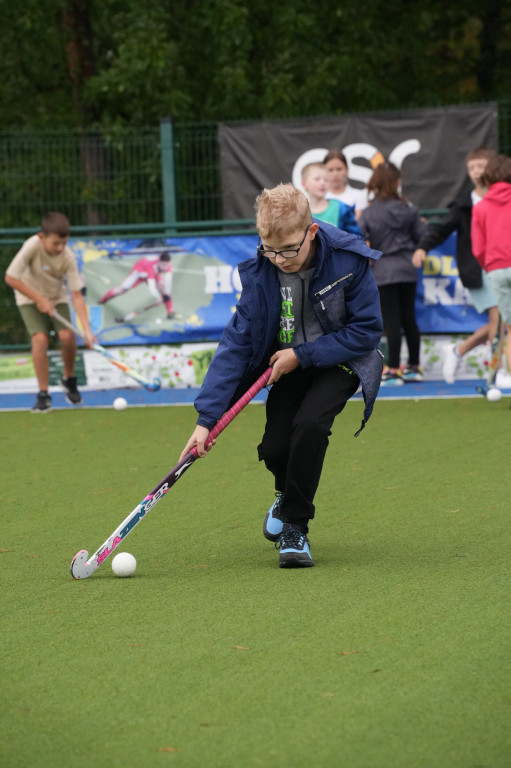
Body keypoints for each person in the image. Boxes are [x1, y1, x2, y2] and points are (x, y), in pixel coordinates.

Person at [179, 183, 383, 569]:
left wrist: (303, 354)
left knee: (310, 425)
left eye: (289, 249)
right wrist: (206, 420)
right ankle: (285, 493)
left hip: (342, 359)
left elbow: (367, 331)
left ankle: (295, 527)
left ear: (312, 232)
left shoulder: (348, 260)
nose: (280, 259)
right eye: (269, 249)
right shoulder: (262, 272)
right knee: (275, 448)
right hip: (286, 364)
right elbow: (236, 344)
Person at [412, 147, 499, 384]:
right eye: (472, 168)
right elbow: (441, 230)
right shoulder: (463, 205)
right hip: (478, 271)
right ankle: (499, 372)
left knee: (502, 322)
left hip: (502, 267)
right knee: (499, 317)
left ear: (493, 167)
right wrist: (422, 247)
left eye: (481, 166)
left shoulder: (504, 197)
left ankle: (459, 350)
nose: (476, 172)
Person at [5, 211, 94, 413]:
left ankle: (68, 379)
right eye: (56, 243)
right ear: (42, 237)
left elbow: (77, 296)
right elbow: (10, 278)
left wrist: (87, 331)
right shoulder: (31, 246)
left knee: (68, 336)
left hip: (56, 296)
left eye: (64, 243)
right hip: (28, 296)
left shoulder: (67, 257)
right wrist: (38, 299)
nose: (61, 248)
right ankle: (43, 394)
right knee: (40, 339)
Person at [358, 162, 428, 385]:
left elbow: (359, 240)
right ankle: (415, 368)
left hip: (383, 271)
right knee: (409, 319)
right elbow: (424, 235)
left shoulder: (369, 213)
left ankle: (394, 369)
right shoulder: (409, 208)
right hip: (408, 269)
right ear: (397, 182)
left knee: (392, 321)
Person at [471, 153, 511, 376]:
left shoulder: (481, 207)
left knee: (510, 329)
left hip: (496, 270)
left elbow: (478, 248)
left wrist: (491, 266)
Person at [99, 251, 174, 318]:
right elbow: (151, 286)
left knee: (164, 289)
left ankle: (170, 313)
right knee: (120, 290)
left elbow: (168, 280)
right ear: (159, 262)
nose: (164, 268)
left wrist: (166, 293)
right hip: (139, 272)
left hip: (154, 273)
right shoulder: (151, 266)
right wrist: (157, 297)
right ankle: (102, 301)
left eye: (166, 266)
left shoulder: (168, 264)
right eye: (162, 265)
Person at [301, 162, 362, 236]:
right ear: (304, 184)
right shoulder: (301, 213)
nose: (322, 182)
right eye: (317, 179)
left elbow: (356, 239)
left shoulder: (341, 208)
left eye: (326, 180)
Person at [323, 149, 368, 218]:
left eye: (339, 169)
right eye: (330, 170)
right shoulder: (319, 197)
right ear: (323, 171)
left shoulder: (359, 196)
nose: (335, 174)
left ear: (347, 170)